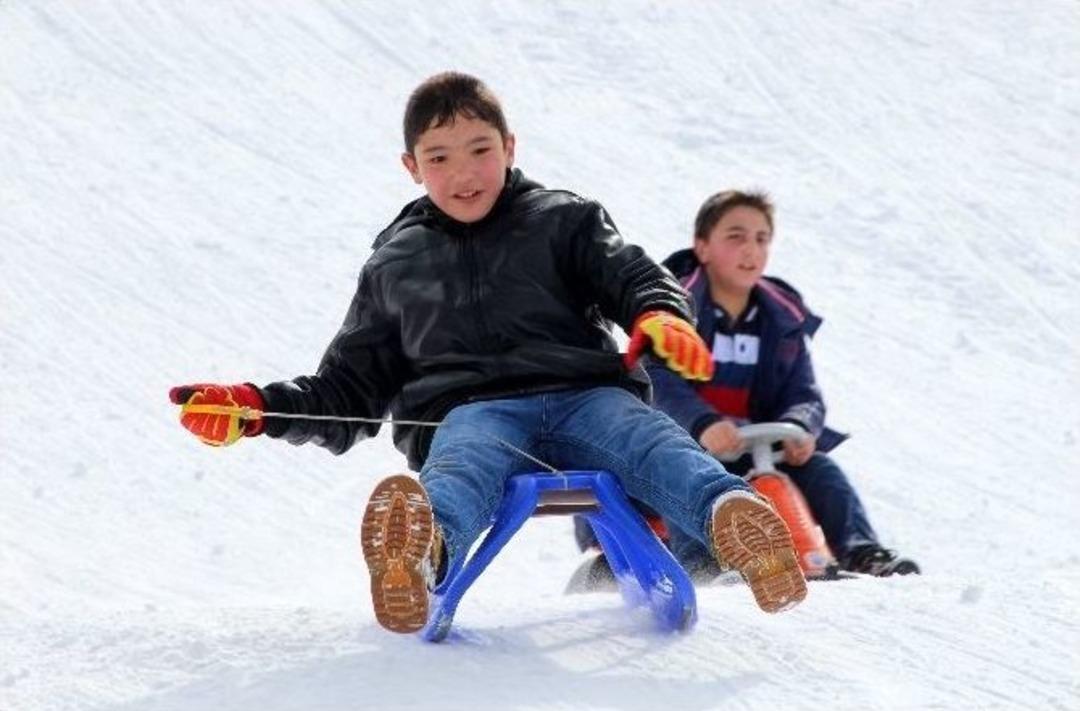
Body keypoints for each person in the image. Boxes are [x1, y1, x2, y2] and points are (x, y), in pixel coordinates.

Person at [168, 73, 808, 634]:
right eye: (439, 157)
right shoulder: (395, 264)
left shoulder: (565, 221)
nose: (464, 173)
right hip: (474, 412)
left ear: (510, 148)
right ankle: (420, 557)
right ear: (412, 167)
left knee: (650, 441)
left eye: (480, 150)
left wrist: (661, 314)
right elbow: (346, 389)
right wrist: (256, 409)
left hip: (587, 398)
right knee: (461, 466)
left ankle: (735, 520)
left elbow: (635, 277)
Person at [642, 189, 919, 578]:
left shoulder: (782, 320)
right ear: (702, 247)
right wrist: (702, 424)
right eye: (735, 237)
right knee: (691, 479)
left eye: (761, 239)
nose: (751, 250)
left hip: (757, 448)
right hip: (682, 449)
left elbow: (804, 392)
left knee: (821, 472)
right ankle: (705, 567)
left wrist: (799, 427)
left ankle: (860, 553)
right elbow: (656, 379)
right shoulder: (672, 311)